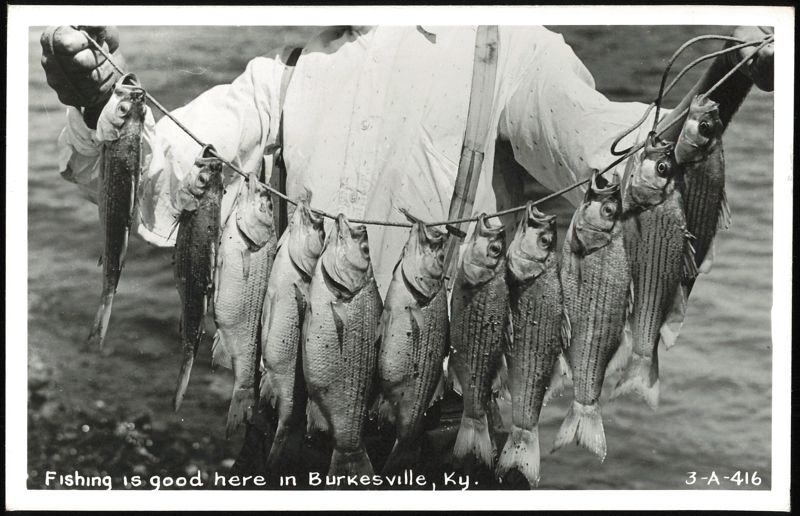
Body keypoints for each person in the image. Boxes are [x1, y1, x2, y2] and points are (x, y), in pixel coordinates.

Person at [41, 25, 773, 298]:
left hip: (448, 432)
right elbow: (164, 171)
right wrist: (95, 102)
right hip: (291, 422)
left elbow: (621, 159)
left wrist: (728, 79)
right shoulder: (283, 72)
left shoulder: (511, 51)